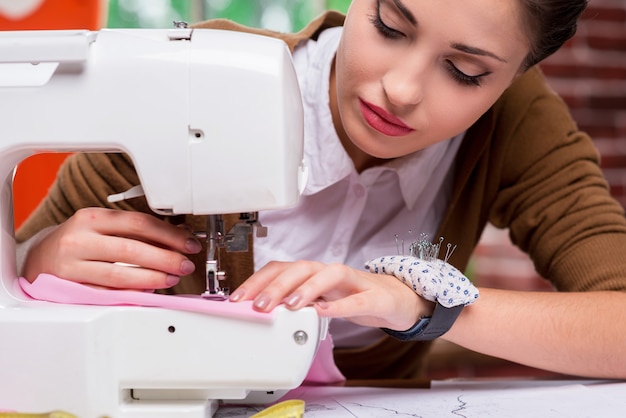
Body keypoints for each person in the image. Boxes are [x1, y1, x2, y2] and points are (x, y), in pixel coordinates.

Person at [16, 0, 626, 380]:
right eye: (389, 25)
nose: (403, 89)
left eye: (465, 73)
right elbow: (12, 286)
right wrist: (35, 261)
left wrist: (420, 306)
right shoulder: (195, 76)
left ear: (516, 74)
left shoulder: (514, 123)